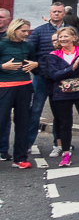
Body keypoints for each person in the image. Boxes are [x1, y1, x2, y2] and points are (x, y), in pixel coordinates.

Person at [45, 27, 79, 167]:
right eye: (60, 37)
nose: (62, 39)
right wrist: (73, 68)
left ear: (74, 38)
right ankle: (65, 155)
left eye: (65, 36)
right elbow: (54, 75)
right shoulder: (53, 55)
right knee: (64, 124)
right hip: (61, 93)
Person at [26, 2, 67, 151]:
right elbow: (30, 53)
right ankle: (27, 143)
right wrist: (37, 71)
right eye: (54, 11)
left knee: (60, 112)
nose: (56, 14)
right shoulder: (38, 31)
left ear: (64, 13)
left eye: (59, 11)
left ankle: (59, 143)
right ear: (50, 13)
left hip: (61, 79)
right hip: (41, 78)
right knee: (35, 110)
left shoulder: (71, 30)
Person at [0, 18, 39, 168]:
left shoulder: (28, 46)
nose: (26, 34)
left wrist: (36, 64)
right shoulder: (2, 45)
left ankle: (20, 158)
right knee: (2, 122)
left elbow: (35, 68)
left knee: (23, 123)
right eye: (23, 31)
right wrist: (3, 66)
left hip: (25, 87)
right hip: (5, 87)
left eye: (28, 31)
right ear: (14, 29)